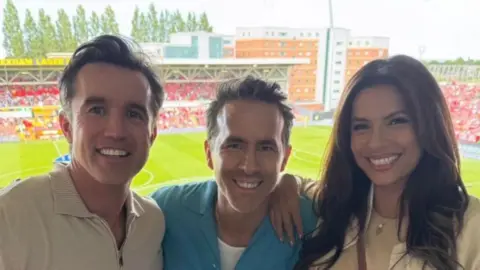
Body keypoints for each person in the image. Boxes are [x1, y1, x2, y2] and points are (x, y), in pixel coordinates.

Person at [271, 55, 480, 270]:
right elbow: (303, 184)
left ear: (428, 126)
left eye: (397, 121)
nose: (376, 142)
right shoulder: (333, 208)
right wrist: (285, 183)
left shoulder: (471, 227)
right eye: (361, 126)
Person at [0, 35, 166, 270]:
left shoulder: (152, 222)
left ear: (152, 134)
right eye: (97, 110)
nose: (116, 131)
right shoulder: (11, 217)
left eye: (134, 114)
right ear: (67, 126)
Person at [151, 76, 317, 270]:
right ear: (209, 153)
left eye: (266, 148)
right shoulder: (164, 209)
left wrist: (293, 181)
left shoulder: (312, 224)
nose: (250, 167)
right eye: (234, 146)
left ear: (285, 159)